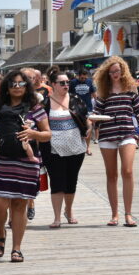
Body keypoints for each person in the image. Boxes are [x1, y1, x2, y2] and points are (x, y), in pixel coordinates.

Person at [0, 71, 51, 262]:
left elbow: (47, 134)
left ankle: (16, 248)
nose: (17, 87)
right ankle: (0, 233)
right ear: (6, 87)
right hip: (1, 161)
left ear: (26, 87)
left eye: (21, 84)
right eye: (13, 84)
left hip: (26, 162)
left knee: (19, 205)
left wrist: (33, 134)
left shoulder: (35, 108)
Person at [91, 56, 139, 227]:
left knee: (128, 171)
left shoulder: (131, 88)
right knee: (111, 175)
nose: (116, 74)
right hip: (107, 134)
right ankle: (114, 214)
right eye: (112, 71)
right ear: (107, 74)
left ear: (123, 71)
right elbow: (96, 112)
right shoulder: (104, 91)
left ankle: (128, 214)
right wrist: (90, 123)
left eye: (118, 70)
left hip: (127, 133)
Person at [42, 69, 90, 229]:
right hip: (53, 149)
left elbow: (85, 117)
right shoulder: (45, 102)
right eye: (62, 83)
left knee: (71, 181)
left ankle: (69, 211)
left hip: (76, 148)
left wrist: (89, 126)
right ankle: (57, 218)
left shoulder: (76, 99)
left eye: (67, 82)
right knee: (57, 182)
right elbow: (38, 123)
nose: (66, 85)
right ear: (53, 84)